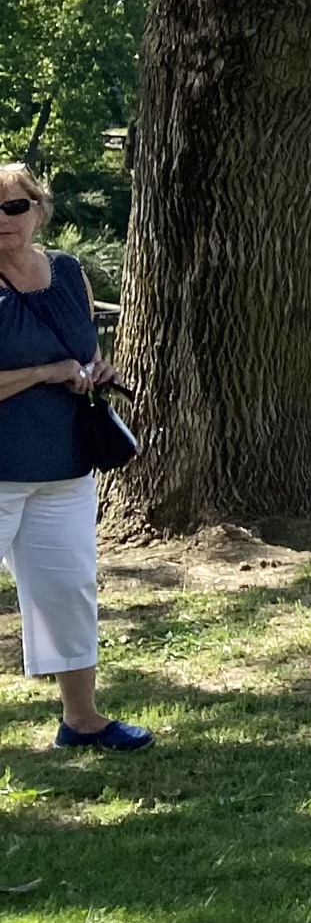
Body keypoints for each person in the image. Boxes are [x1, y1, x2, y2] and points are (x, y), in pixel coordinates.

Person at [0, 164, 149, 753]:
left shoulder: (67, 273)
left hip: (65, 467)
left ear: (39, 210)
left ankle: (82, 720)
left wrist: (95, 370)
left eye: (15, 207)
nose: (4, 221)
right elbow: (46, 364)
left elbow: (83, 345)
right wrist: (44, 372)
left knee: (69, 590)